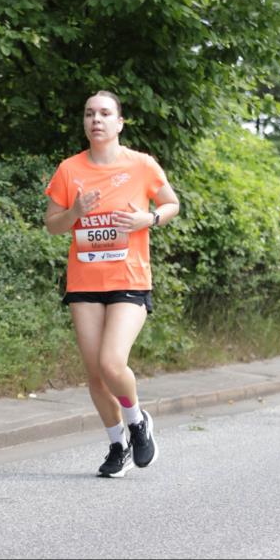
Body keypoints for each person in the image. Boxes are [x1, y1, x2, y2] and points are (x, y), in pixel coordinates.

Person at [44, 91, 180, 476]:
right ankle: (117, 445)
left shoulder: (141, 165)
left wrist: (149, 220)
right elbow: (52, 225)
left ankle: (137, 422)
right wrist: (75, 211)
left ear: (119, 123)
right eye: (89, 114)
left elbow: (172, 204)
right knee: (94, 374)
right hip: (85, 281)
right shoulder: (69, 170)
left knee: (111, 362)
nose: (96, 120)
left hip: (129, 278)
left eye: (105, 113)